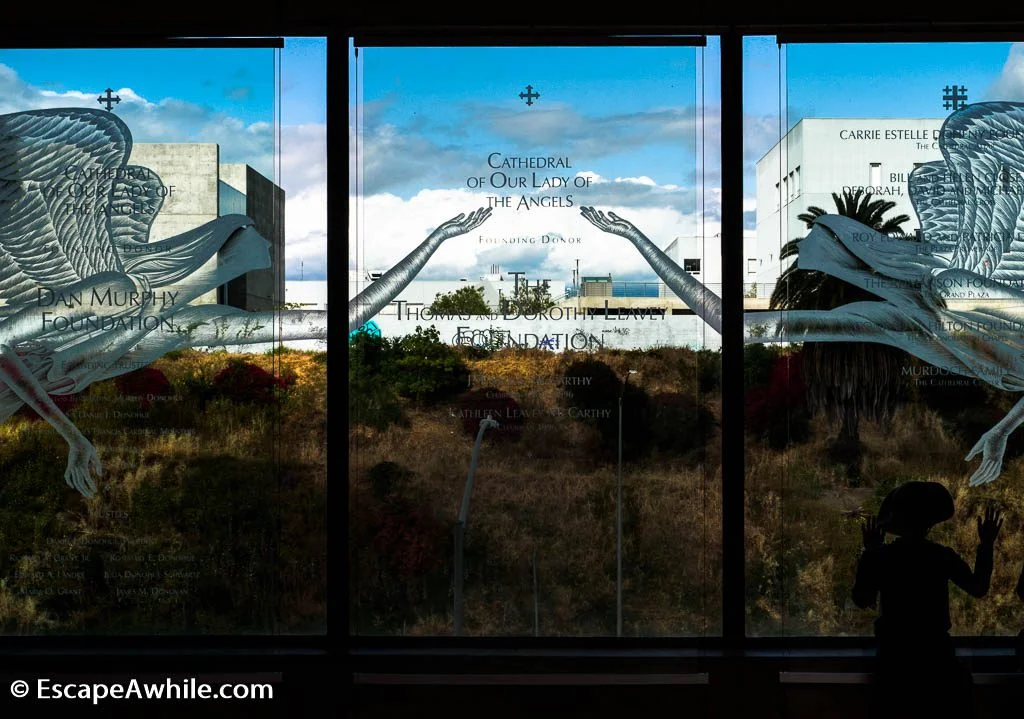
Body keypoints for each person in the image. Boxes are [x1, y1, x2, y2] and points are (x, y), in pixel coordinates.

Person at [852, 481, 1003, 719]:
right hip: (937, 660)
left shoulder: (884, 557)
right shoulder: (941, 556)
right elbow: (978, 587)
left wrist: (870, 554)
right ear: (930, 522)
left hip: (894, 662)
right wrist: (985, 545)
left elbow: (863, 598)